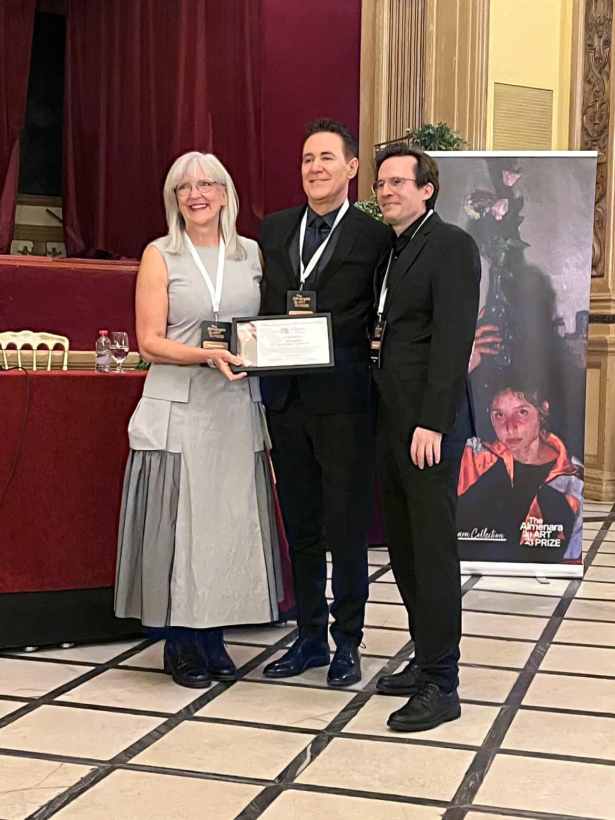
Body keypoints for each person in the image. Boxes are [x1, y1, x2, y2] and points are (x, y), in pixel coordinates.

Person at [115, 151, 285, 688]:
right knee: (182, 527)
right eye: (184, 187)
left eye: (207, 184)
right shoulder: (159, 254)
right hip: (179, 408)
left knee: (227, 525)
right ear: (174, 198)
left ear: (225, 193)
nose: (196, 194)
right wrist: (205, 355)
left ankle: (213, 636)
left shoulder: (251, 253)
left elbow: (267, 325)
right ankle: (181, 642)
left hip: (236, 407)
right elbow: (149, 341)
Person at [258, 119, 390, 687]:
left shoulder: (375, 237)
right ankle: (309, 637)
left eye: (327, 158)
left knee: (346, 527)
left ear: (352, 168)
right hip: (286, 399)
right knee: (302, 525)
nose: (315, 167)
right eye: (308, 158)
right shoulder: (273, 229)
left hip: (344, 403)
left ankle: (348, 642)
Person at [371, 144, 480, 730]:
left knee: (432, 551)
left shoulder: (451, 245)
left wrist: (433, 422)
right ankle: (425, 656)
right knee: (405, 548)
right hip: (392, 421)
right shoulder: (393, 249)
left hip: (427, 428)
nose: (386, 191)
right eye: (381, 183)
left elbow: (453, 341)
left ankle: (443, 683)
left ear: (426, 189)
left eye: (398, 182)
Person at [457, 379, 583, 561]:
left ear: (543, 410)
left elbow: (571, 560)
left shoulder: (573, 482)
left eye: (522, 412)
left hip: (536, 577)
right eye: (499, 415)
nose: (510, 427)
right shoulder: (475, 457)